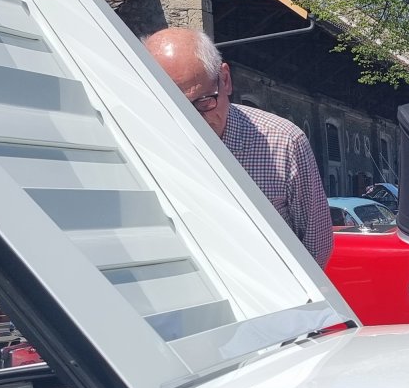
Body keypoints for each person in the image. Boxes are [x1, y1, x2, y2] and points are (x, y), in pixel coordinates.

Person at [142, 28, 334, 267]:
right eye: (173, 107)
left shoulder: (283, 142)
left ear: (225, 80)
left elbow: (316, 247)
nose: (190, 121)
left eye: (203, 102)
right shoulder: (140, 140)